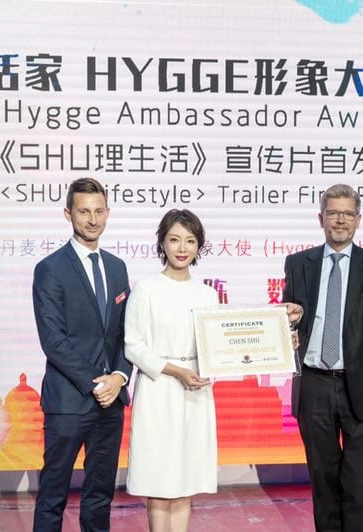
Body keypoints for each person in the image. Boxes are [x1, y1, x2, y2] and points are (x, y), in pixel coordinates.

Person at [282, 184, 363, 531]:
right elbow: (289, 320)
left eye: (348, 213)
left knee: (360, 485)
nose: (340, 220)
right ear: (321, 218)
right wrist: (288, 328)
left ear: (358, 219)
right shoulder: (299, 264)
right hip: (314, 385)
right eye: (333, 213)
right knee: (322, 481)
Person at [32, 177, 132, 532]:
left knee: (100, 495)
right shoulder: (50, 269)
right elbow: (53, 340)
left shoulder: (117, 267)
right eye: (84, 211)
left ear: (108, 213)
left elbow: (125, 333)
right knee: (53, 494)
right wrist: (96, 383)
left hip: (111, 402)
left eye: (99, 211)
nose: (92, 219)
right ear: (68, 214)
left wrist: (118, 377)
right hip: (69, 400)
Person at [123, 209, 218, 532]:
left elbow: (216, 346)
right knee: (159, 481)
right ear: (162, 243)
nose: (182, 248)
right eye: (174, 239)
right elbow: (133, 346)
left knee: (185, 480)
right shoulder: (146, 289)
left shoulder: (207, 294)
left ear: (199, 245)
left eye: (190, 241)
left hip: (196, 391)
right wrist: (177, 371)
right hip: (159, 388)